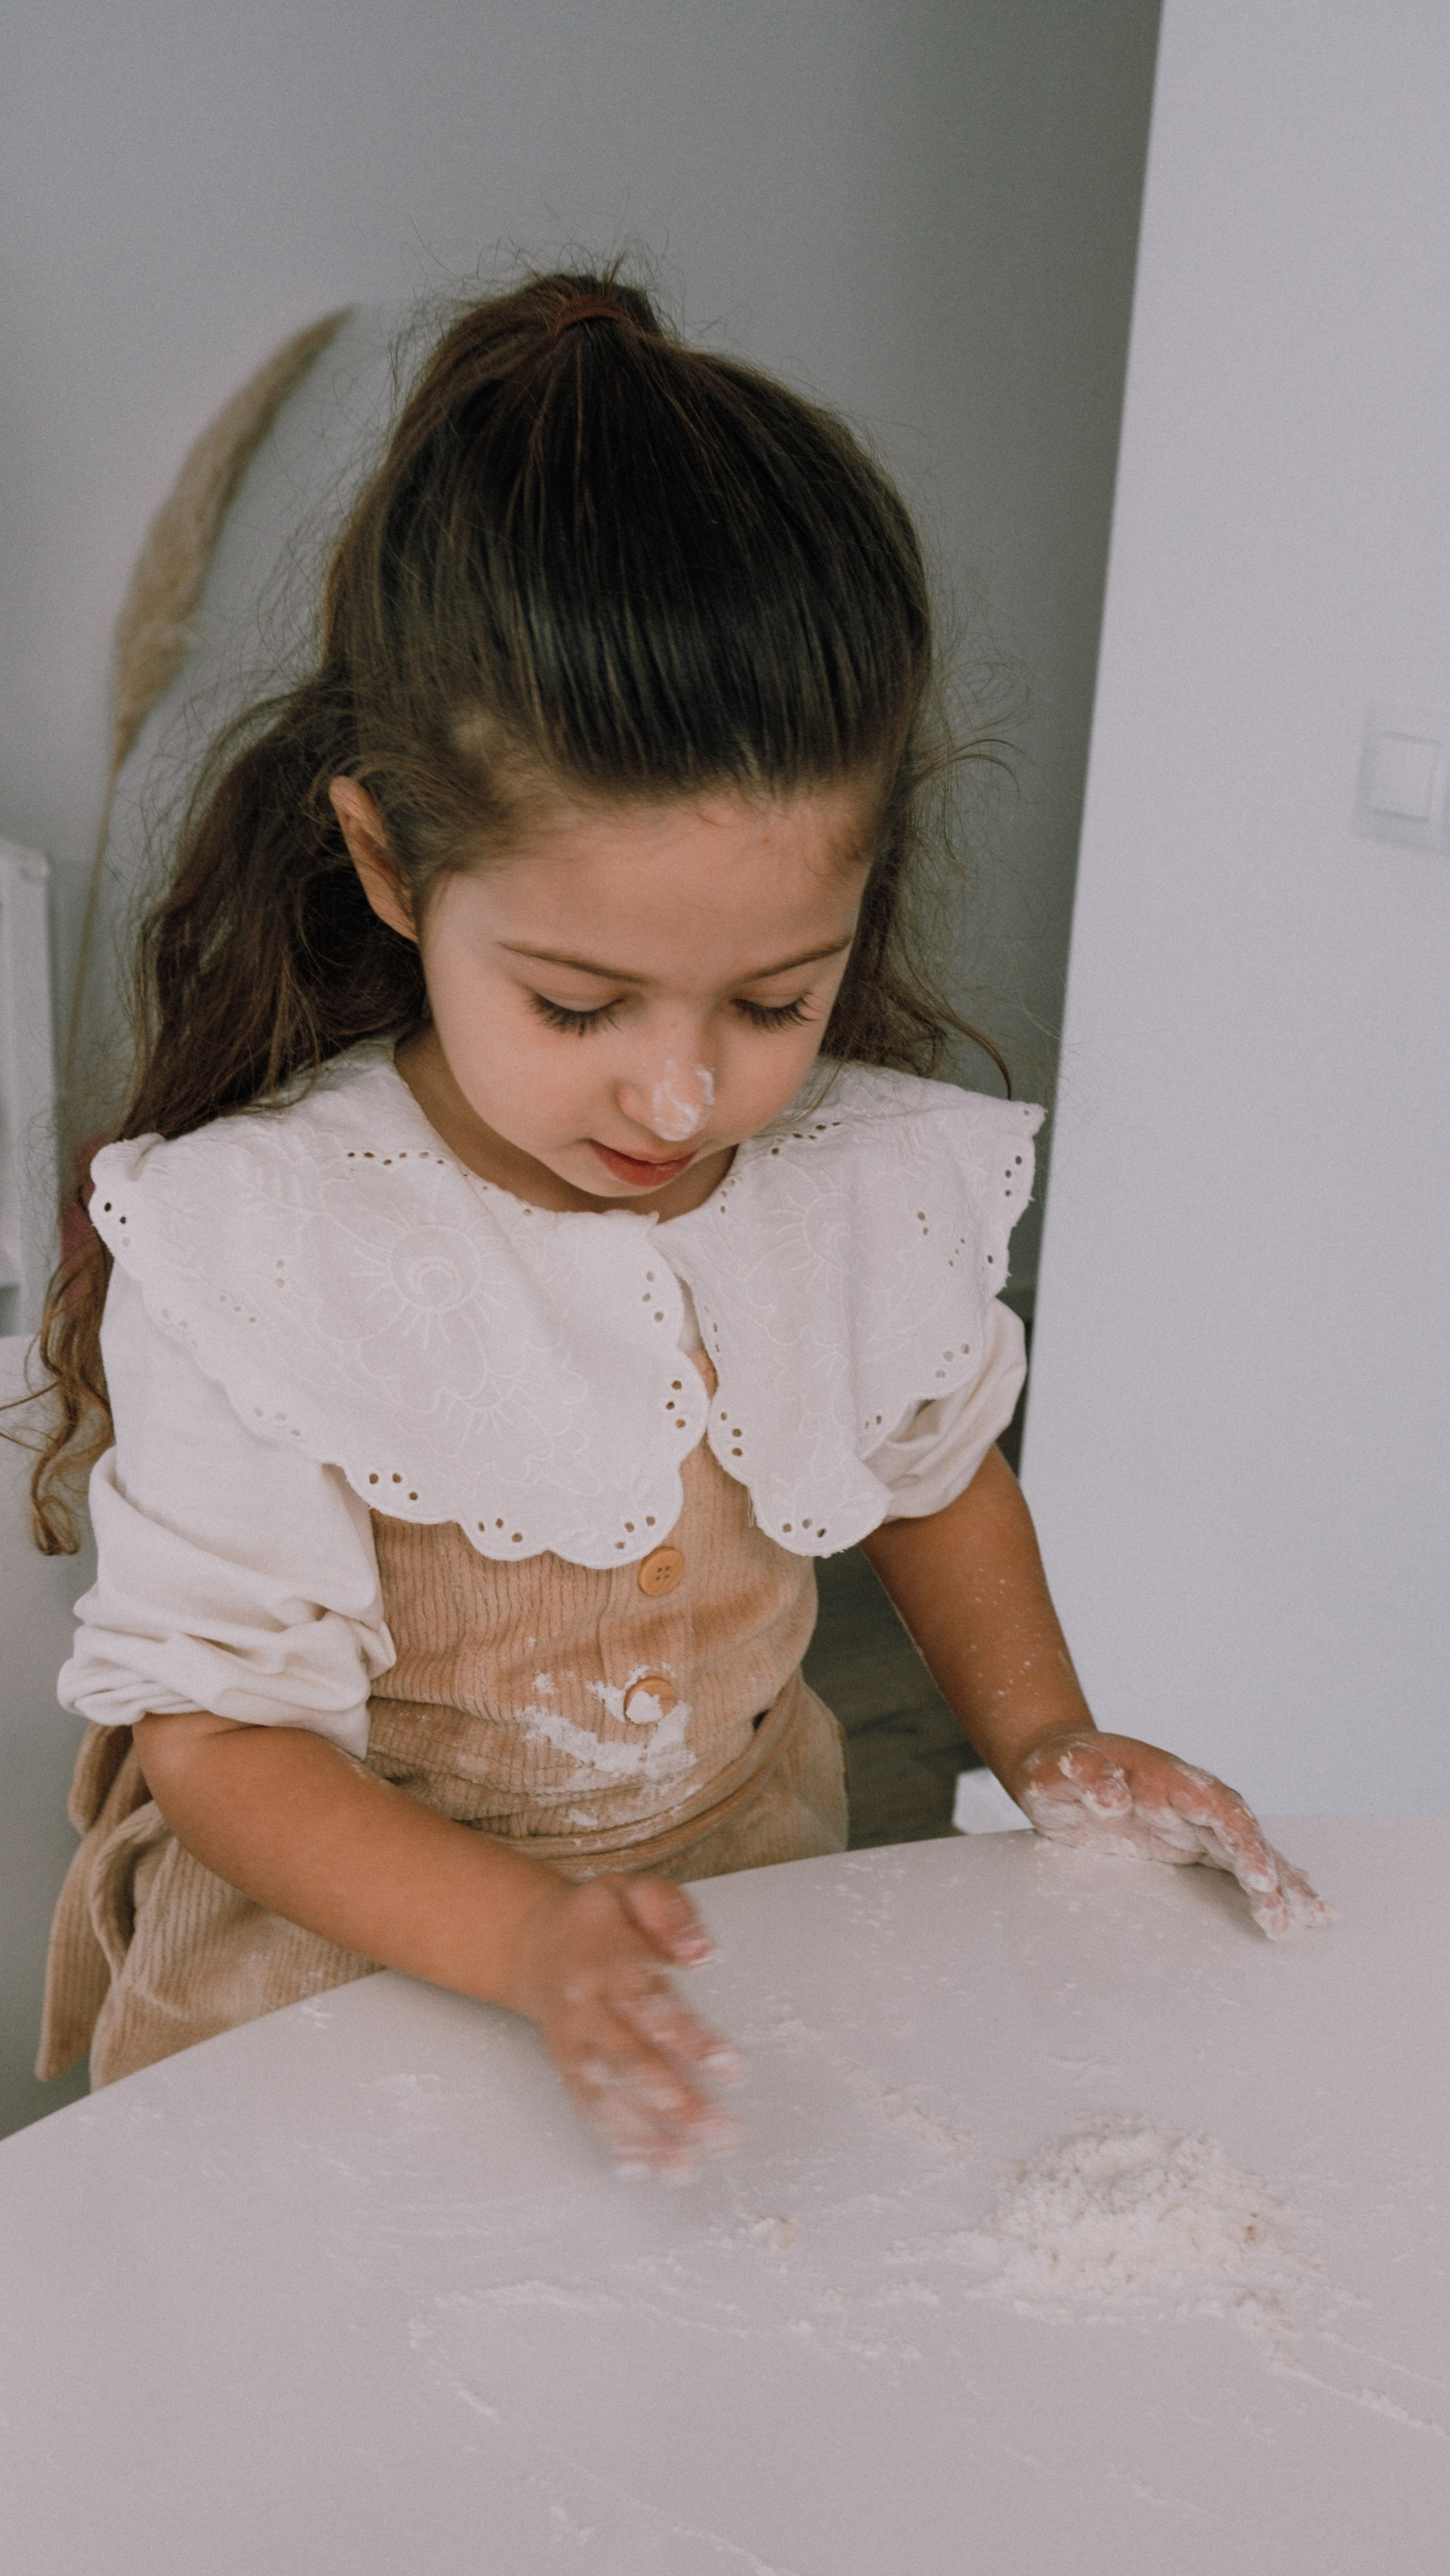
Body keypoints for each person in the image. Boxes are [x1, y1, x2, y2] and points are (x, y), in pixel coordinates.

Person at [30, 270, 1327, 2181]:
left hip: (727, 1915)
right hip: (329, 1978)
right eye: (577, 1008)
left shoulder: (856, 1190)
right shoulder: (271, 1247)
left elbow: (940, 1476)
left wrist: (1048, 1738)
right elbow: (225, 1751)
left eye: (772, 1002)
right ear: (392, 861)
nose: (679, 1098)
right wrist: (525, 1938)